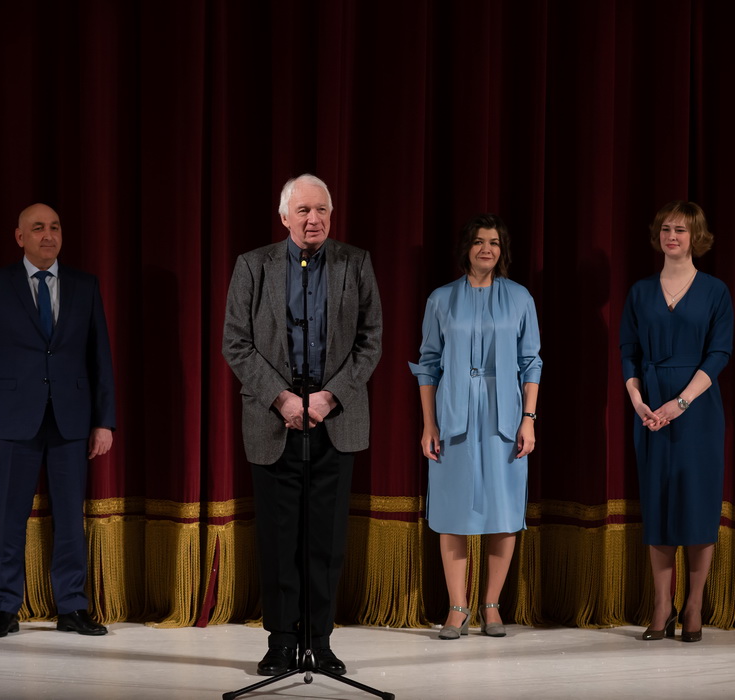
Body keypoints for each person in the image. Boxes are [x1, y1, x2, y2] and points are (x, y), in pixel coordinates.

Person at [222, 174, 382, 676]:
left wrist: (329, 397)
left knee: (326, 542)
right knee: (278, 540)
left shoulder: (355, 262)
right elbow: (236, 342)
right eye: (304, 210)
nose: (314, 219)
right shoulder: (253, 265)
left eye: (322, 210)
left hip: (335, 419)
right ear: (284, 216)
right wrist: (282, 398)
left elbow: (370, 340)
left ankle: (320, 640)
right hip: (274, 420)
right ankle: (281, 641)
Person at [0, 203, 116, 638]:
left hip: (72, 420)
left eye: (54, 227)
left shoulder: (85, 285)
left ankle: (72, 607)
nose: (48, 235)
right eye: (37, 228)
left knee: (70, 518)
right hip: (14, 420)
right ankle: (4, 608)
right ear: (20, 237)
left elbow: (101, 358)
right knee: (10, 517)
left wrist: (104, 421)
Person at [409, 214, 541, 640]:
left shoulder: (519, 297)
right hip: (453, 417)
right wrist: (429, 424)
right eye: (480, 241)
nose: (487, 249)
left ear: (503, 250)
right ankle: (457, 608)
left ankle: (492, 606)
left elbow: (531, 362)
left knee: (504, 513)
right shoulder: (441, 299)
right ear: (466, 248)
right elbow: (428, 364)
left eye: (495, 242)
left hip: (505, 419)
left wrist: (528, 420)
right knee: (453, 513)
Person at [619, 200, 733, 643]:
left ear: (695, 237)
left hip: (697, 408)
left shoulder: (715, 291)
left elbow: (719, 353)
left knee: (698, 505)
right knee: (658, 505)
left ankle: (694, 605)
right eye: (666, 229)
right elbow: (629, 352)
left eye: (681, 230)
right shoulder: (640, 291)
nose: (672, 236)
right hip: (650, 411)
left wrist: (681, 402)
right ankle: (661, 606)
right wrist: (637, 399)